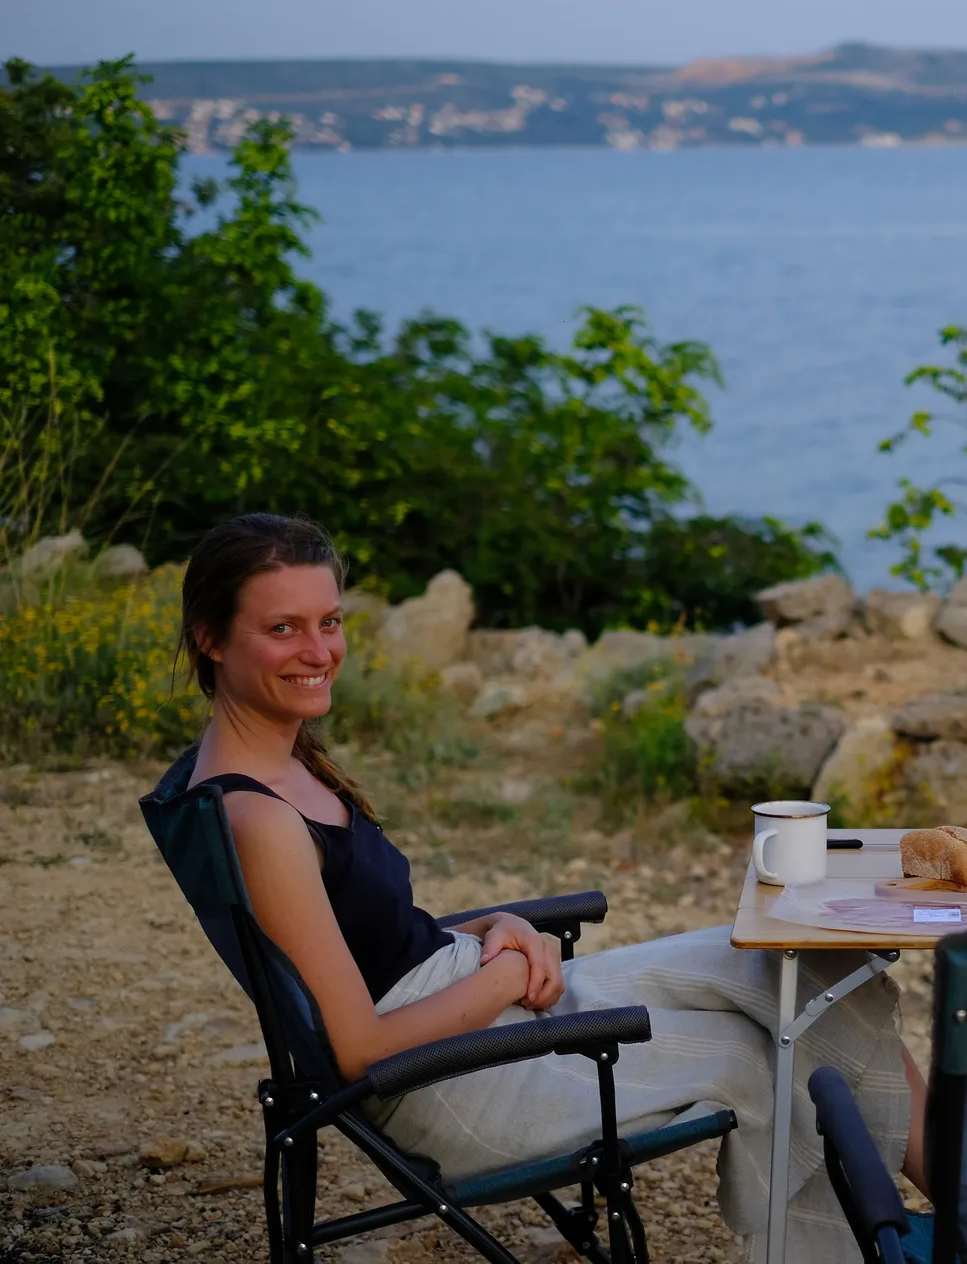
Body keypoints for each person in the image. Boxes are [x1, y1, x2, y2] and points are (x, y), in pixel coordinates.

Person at [161, 513, 922, 1262]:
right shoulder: (260, 819)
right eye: (283, 628)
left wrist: (495, 926)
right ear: (210, 637)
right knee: (772, 1055)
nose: (319, 650)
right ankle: (900, 1237)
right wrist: (504, 976)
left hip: (467, 1006)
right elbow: (359, 1052)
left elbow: (368, 941)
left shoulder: (271, 766)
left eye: (328, 621)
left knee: (798, 968)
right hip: (453, 1081)